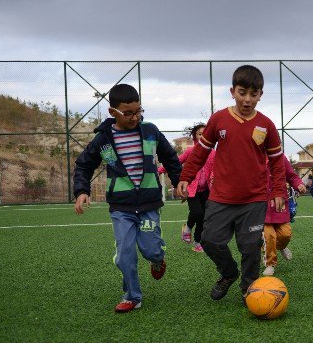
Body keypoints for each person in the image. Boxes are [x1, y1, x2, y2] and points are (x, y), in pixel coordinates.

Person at [176, 65, 286, 304]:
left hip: (254, 199)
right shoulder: (219, 119)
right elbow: (199, 153)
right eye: (242, 92)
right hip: (221, 197)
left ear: (260, 95)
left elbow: (278, 162)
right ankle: (228, 273)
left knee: (249, 247)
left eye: (253, 94)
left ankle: (250, 290)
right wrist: (186, 177)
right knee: (209, 240)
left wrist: (278, 190)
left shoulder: (266, 125)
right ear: (232, 91)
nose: (247, 99)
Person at [73, 83, 182, 313]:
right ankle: (132, 295)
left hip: (149, 203)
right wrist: (82, 191)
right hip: (121, 207)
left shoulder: (150, 131)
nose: (135, 117)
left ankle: (157, 259)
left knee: (151, 249)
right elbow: (83, 166)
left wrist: (179, 180)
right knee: (125, 254)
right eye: (129, 113)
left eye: (139, 111)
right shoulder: (103, 140)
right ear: (113, 112)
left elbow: (170, 157)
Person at [160, 123, 215, 252]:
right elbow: (176, 162)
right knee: (197, 213)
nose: (203, 136)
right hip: (191, 189)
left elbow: (215, 169)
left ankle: (197, 242)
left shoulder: (213, 153)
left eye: (205, 134)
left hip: (206, 190)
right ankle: (188, 228)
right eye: (199, 134)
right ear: (195, 137)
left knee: (203, 217)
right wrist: (160, 169)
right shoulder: (191, 151)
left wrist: (213, 178)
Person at [262, 154, 306, 276]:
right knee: (268, 235)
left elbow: (292, 176)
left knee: (285, 234)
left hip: (279, 203)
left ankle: (281, 247)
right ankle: (270, 264)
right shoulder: (254, 156)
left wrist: (299, 184)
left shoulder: (280, 158)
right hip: (262, 205)